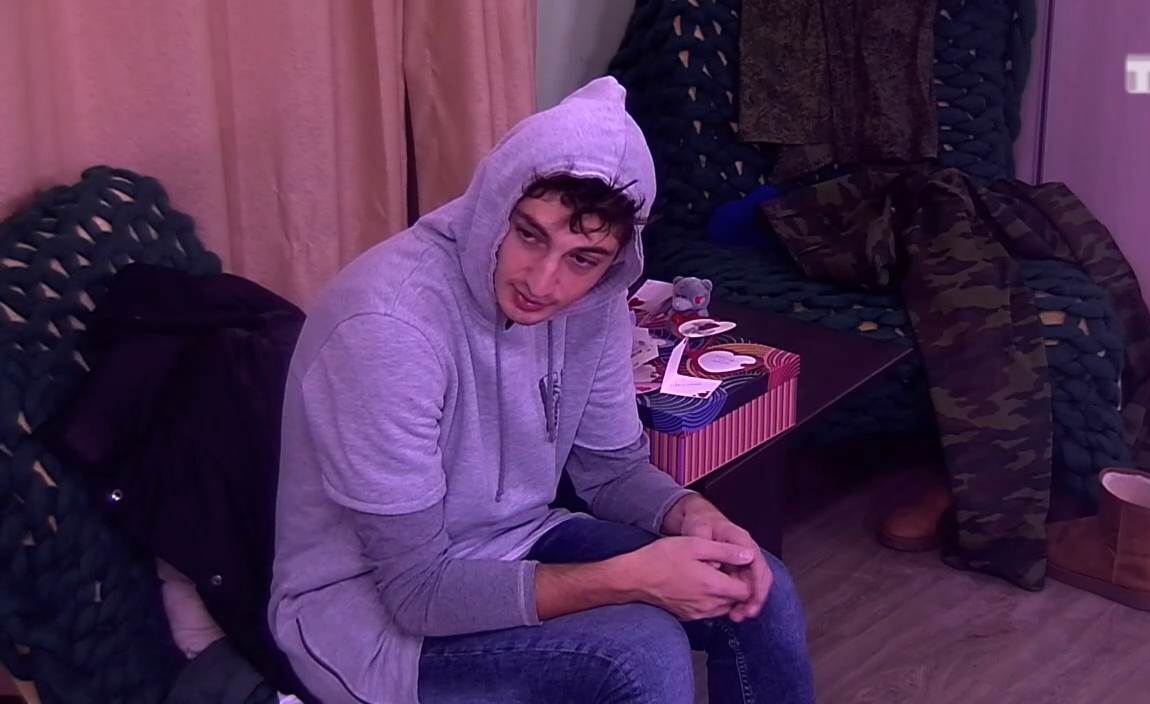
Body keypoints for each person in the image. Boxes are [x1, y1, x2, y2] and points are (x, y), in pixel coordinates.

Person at [268, 76, 817, 704]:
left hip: (515, 539)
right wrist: (629, 579)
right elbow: (417, 592)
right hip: (366, 613)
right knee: (640, 650)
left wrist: (691, 513)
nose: (543, 282)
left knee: (758, 584)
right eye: (530, 235)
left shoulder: (595, 302)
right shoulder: (387, 327)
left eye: (583, 259)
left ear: (614, 261)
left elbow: (611, 472)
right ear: (495, 205)